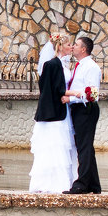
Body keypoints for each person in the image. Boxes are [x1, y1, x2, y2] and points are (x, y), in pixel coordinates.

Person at [29, 33, 79, 193]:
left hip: (62, 111)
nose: (71, 47)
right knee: (54, 146)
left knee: (62, 147)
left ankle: (64, 181)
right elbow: (57, 89)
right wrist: (78, 93)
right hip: (54, 114)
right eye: (68, 44)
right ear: (60, 46)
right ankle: (52, 184)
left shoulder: (61, 64)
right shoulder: (52, 64)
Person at [61, 36, 102, 194]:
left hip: (86, 109)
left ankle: (81, 184)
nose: (73, 47)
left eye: (76, 45)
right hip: (78, 109)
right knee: (86, 147)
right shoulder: (79, 65)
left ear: (83, 49)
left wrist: (69, 97)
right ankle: (94, 185)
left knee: (84, 147)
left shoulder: (91, 67)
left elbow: (92, 94)